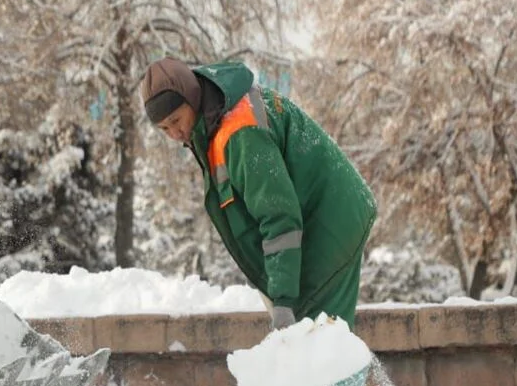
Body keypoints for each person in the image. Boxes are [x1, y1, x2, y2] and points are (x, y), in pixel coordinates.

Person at [140, 57, 376, 330]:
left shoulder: (240, 132)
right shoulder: (216, 123)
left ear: (192, 98)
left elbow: (278, 216)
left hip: (330, 226)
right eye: (164, 129)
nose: (175, 133)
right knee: (314, 352)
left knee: (324, 353)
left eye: (176, 120)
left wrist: (284, 299)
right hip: (319, 224)